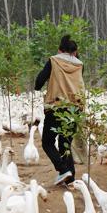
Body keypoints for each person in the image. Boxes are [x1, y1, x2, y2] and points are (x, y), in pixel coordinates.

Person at [35, 35, 84, 185]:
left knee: (47, 142)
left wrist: (40, 86)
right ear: (75, 52)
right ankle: (70, 179)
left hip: (56, 107)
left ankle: (63, 170)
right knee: (65, 142)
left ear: (59, 49)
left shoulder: (53, 61)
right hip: (75, 108)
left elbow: (39, 82)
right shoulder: (80, 65)